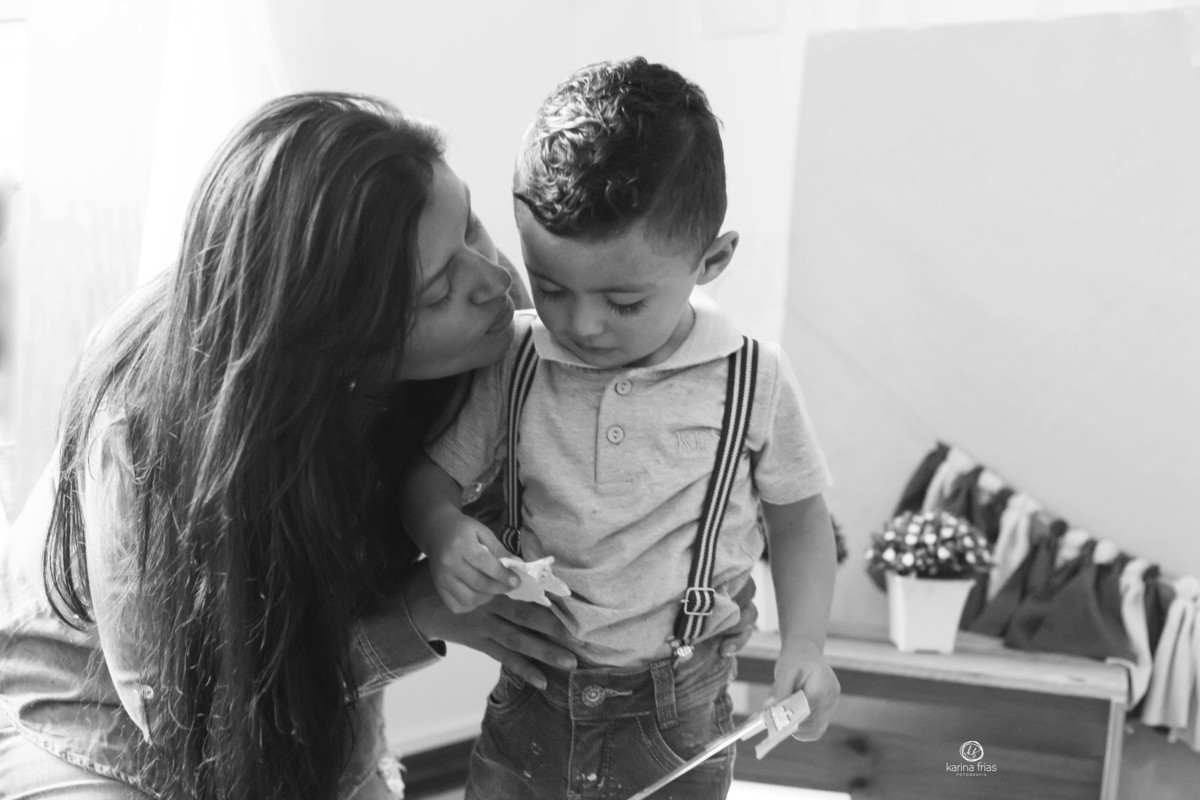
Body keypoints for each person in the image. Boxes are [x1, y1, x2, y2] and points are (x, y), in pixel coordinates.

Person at [0, 90, 757, 800]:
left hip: (316, 708)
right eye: (435, 293)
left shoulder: (503, 328)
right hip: (102, 725)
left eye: (467, 223)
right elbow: (191, 719)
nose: (494, 279)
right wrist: (419, 612)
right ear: (338, 346)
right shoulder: (145, 423)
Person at [401, 58, 841, 800]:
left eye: (625, 302)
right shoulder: (514, 360)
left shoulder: (751, 378)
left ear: (713, 260)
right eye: (550, 288)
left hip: (678, 709)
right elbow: (429, 478)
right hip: (537, 692)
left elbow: (799, 521)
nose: (581, 324)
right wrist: (442, 528)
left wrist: (806, 644)